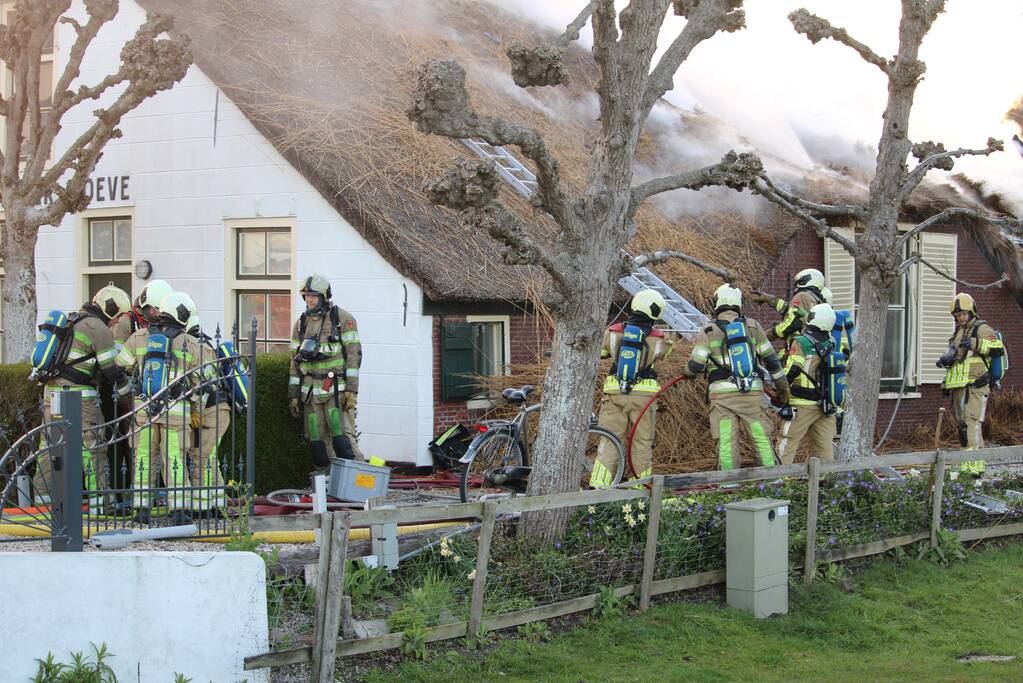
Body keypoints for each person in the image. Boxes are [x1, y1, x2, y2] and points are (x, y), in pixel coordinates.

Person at [116, 291, 214, 523]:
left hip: (144, 412)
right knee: (175, 461)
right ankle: (179, 512)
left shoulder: (139, 337)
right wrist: (196, 409)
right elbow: (204, 381)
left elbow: (121, 365)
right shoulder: (190, 344)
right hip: (175, 414)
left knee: (143, 459)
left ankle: (141, 511)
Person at [31, 286, 130, 511]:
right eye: (117, 318)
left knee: (50, 445)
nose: (116, 323)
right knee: (93, 446)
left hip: (52, 393)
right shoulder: (99, 328)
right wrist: (127, 394)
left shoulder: (70, 321)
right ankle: (100, 503)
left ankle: (41, 504)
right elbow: (110, 371)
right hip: (81, 397)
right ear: (110, 310)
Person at [683, 285, 791, 470]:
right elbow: (772, 362)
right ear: (738, 304)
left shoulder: (708, 330)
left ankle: (728, 484)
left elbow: (695, 366)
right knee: (761, 438)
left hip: (722, 399)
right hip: (752, 396)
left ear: (717, 303)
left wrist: (686, 372)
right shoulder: (753, 327)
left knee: (726, 441)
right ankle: (770, 481)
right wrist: (783, 390)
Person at [590, 289, 676, 487]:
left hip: (614, 393)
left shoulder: (612, 332)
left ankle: (599, 486)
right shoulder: (659, 338)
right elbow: (667, 352)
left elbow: (601, 353)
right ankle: (639, 487)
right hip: (644, 398)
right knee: (641, 442)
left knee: (609, 440)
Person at [289, 274, 363, 471]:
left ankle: (358, 482)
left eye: (314, 295)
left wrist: (351, 391)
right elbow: (294, 362)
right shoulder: (300, 324)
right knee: (316, 439)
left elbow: (354, 356)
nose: (310, 300)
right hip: (310, 392)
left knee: (343, 438)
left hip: (335, 390)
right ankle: (327, 485)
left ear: (324, 296)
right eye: (306, 296)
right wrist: (293, 395)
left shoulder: (342, 319)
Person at [937, 293, 1004, 475]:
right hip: (960, 387)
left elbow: (998, 348)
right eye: (958, 316)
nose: (961, 318)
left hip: (977, 385)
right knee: (963, 425)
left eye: (964, 314)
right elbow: (958, 362)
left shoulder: (981, 328)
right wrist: (945, 377)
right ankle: (971, 466)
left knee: (971, 423)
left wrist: (976, 343)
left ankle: (972, 469)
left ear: (972, 311)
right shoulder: (958, 332)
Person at [777, 303, 842, 463]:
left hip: (801, 404)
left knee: (786, 443)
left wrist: (779, 389)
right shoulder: (832, 342)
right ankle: (826, 483)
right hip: (826, 405)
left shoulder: (801, 342)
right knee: (824, 448)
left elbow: (792, 369)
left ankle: (776, 481)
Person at [186, 307, 230, 515]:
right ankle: (216, 504)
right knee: (207, 457)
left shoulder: (200, 348)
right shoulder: (199, 345)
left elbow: (205, 385)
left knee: (202, 457)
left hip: (212, 410)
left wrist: (195, 409)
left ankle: (203, 508)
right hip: (212, 410)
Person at [753, 268, 827, 343]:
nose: (796, 285)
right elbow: (793, 311)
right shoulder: (818, 299)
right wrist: (771, 300)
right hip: (813, 342)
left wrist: (770, 333)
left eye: (800, 281)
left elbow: (792, 323)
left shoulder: (801, 296)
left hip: (799, 344)